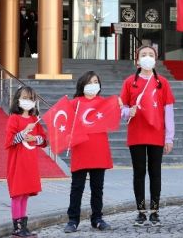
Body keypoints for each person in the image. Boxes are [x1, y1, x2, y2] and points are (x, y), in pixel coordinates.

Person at [120, 45, 175, 227]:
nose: (147, 57)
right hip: (136, 133)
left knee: (155, 173)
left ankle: (155, 211)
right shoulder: (129, 82)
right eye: (143, 54)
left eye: (150, 55)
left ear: (155, 59)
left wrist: (169, 137)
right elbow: (122, 109)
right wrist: (129, 112)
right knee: (139, 173)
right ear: (137, 60)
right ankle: (141, 211)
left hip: (156, 133)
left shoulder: (162, 83)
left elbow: (169, 111)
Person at [64, 71, 112, 233]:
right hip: (81, 150)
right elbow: (63, 123)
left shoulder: (104, 103)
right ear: (83, 84)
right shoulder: (74, 104)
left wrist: (122, 106)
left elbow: (117, 115)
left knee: (97, 187)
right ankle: (73, 220)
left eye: (96, 81)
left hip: (99, 150)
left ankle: (97, 218)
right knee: (77, 187)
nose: (93, 84)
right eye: (90, 82)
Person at [5, 86, 46, 237]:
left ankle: (23, 225)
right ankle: (17, 227)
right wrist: (23, 133)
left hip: (30, 164)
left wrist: (35, 138)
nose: (27, 101)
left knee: (25, 195)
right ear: (17, 99)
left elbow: (43, 140)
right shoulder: (13, 119)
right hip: (17, 163)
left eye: (30, 98)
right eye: (24, 98)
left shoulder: (35, 120)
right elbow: (9, 141)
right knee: (17, 194)